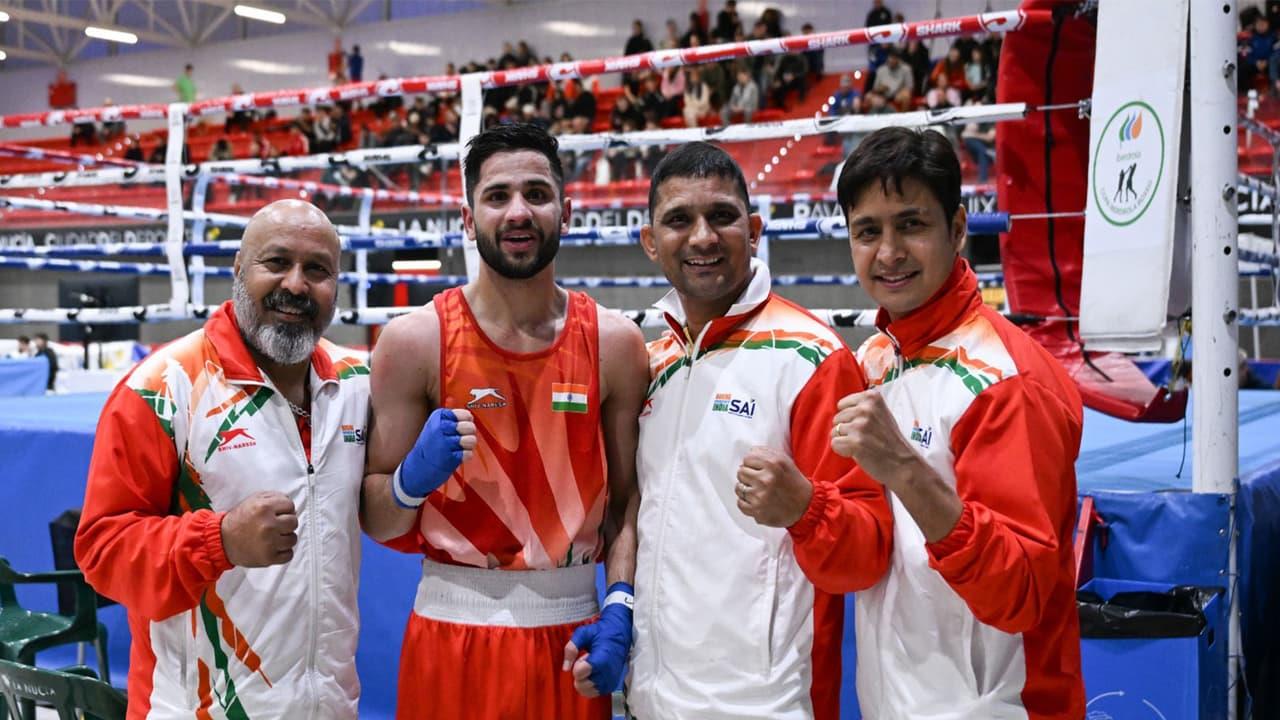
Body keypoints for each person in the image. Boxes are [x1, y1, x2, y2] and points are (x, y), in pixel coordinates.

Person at [360, 123, 648, 720]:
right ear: (469, 219)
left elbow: (625, 504)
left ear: (566, 212)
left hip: (571, 635)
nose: (518, 212)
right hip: (449, 635)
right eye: (497, 196)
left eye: (536, 194)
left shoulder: (615, 344)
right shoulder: (415, 342)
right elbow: (379, 521)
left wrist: (620, 602)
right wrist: (409, 483)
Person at [627, 141, 894, 720]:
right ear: (650, 241)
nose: (702, 237)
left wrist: (806, 508)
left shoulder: (813, 359)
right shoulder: (653, 364)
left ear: (752, 230)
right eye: (679, 220)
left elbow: (866, 554)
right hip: (651, 695)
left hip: (769, 704)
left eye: (721, 216)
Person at [74, 199, 369, 718]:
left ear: (336, 285)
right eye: (276, 262)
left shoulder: (357, 385)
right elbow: (102, 550)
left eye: (317, 270)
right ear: (237, 269)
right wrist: (220, 540)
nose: (296, 285)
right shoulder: (162, 388)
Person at [831, 126, 1085, 719]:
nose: (888, 252)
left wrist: (904, 468)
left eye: (911, 225)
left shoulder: (1006, 381)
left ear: (959, 227)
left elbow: (1020, 592)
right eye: (868, 231)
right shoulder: (875, 360)